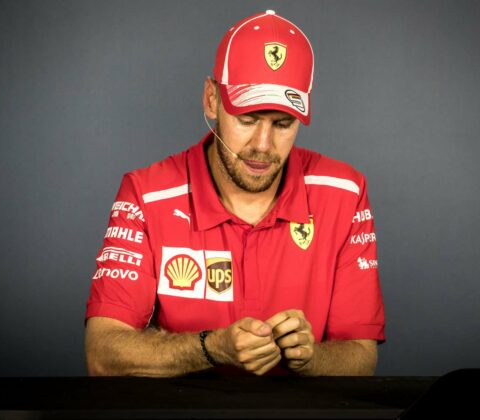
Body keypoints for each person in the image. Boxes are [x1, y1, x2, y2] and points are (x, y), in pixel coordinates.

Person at [85, 10, 385, 377]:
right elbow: (102, 355)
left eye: (283, 124)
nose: (263, 145)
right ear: (212, 99)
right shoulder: (146, 195)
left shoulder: (345, 192)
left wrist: (312, 358)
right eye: (247, 119)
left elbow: (362, 357)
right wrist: (212, 348)